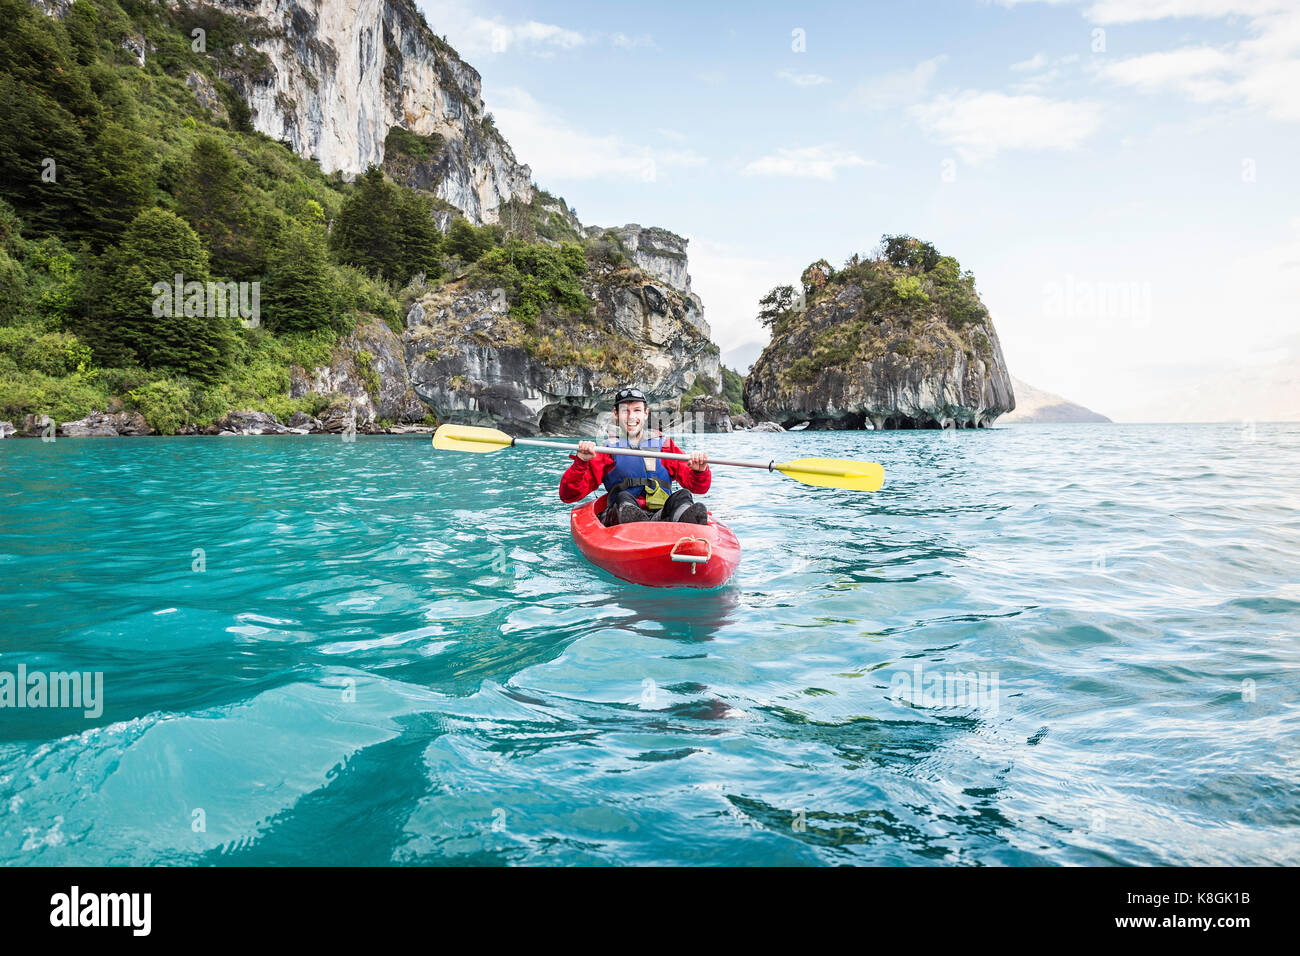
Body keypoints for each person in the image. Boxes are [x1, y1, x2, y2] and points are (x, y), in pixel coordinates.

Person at [558, 386, 712, 526]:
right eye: (625, 411)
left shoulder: (665, 446)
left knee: (683, 496)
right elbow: (569, 495)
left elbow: (698, 488)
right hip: (621, 518)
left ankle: (687, 526)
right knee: (623, 498)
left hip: (662, 516)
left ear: (645, 414)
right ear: (616, 414)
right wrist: (581, 463)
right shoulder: (605, 450)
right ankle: (635, 525)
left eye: (637, 410)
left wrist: (700, 471)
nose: (631, 417)